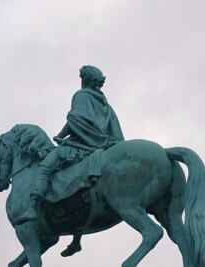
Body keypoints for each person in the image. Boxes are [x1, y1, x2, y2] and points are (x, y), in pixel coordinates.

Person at [15, 64, 125, 256]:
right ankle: (76, 237)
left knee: (46, 167)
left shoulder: (81, 96)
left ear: (84, 79)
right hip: (105, 144)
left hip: (82, 145)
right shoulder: (105, 104)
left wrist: (60, 135)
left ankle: (32, 208)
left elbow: (76, 121)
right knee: (78, 184)